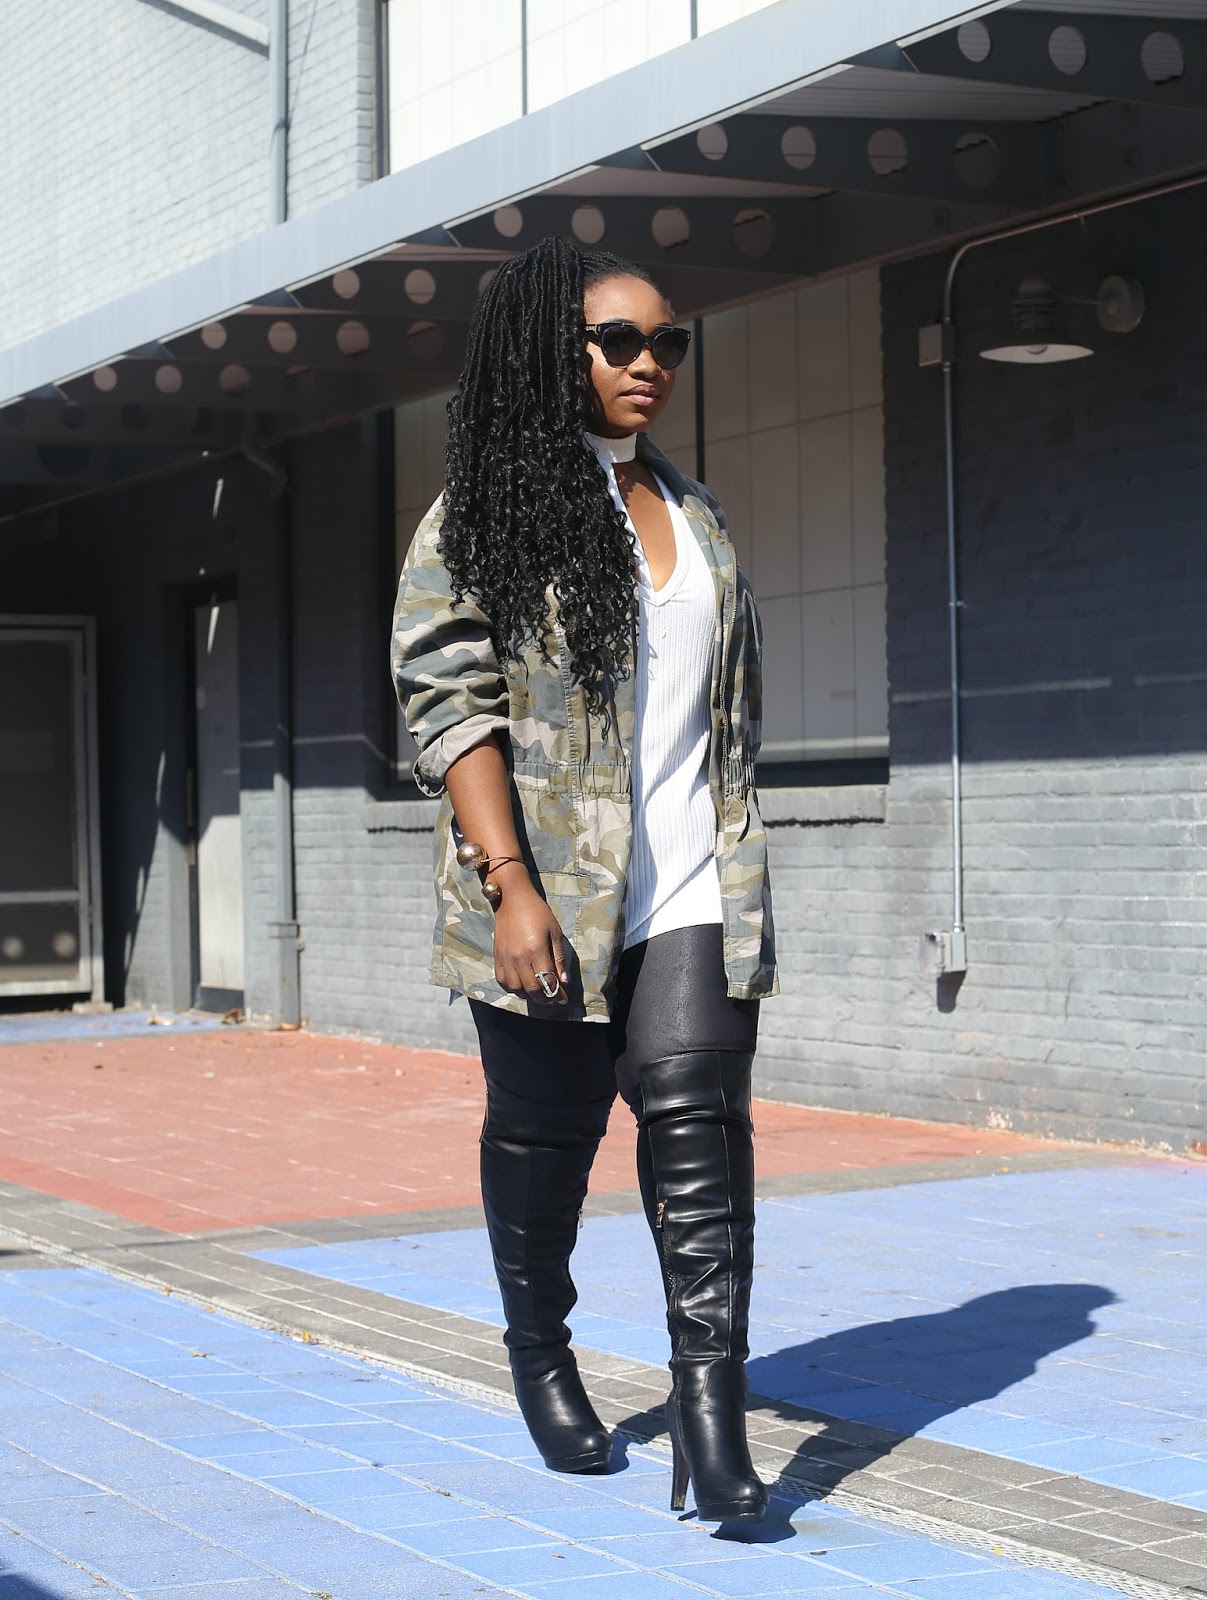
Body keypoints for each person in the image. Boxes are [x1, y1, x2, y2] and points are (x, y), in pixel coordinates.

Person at [391, 235, 777, 1524]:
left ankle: (710, 1422)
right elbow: (449, 704)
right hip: (549, 888)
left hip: (693, 881)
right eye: (618, 340)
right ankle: (539, 1353)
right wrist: (510, 885)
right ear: (554, 352)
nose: (647, 362)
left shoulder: (698, 513)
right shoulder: (481, 512)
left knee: (702, 1134)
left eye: (669, 342)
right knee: (547, 1138)